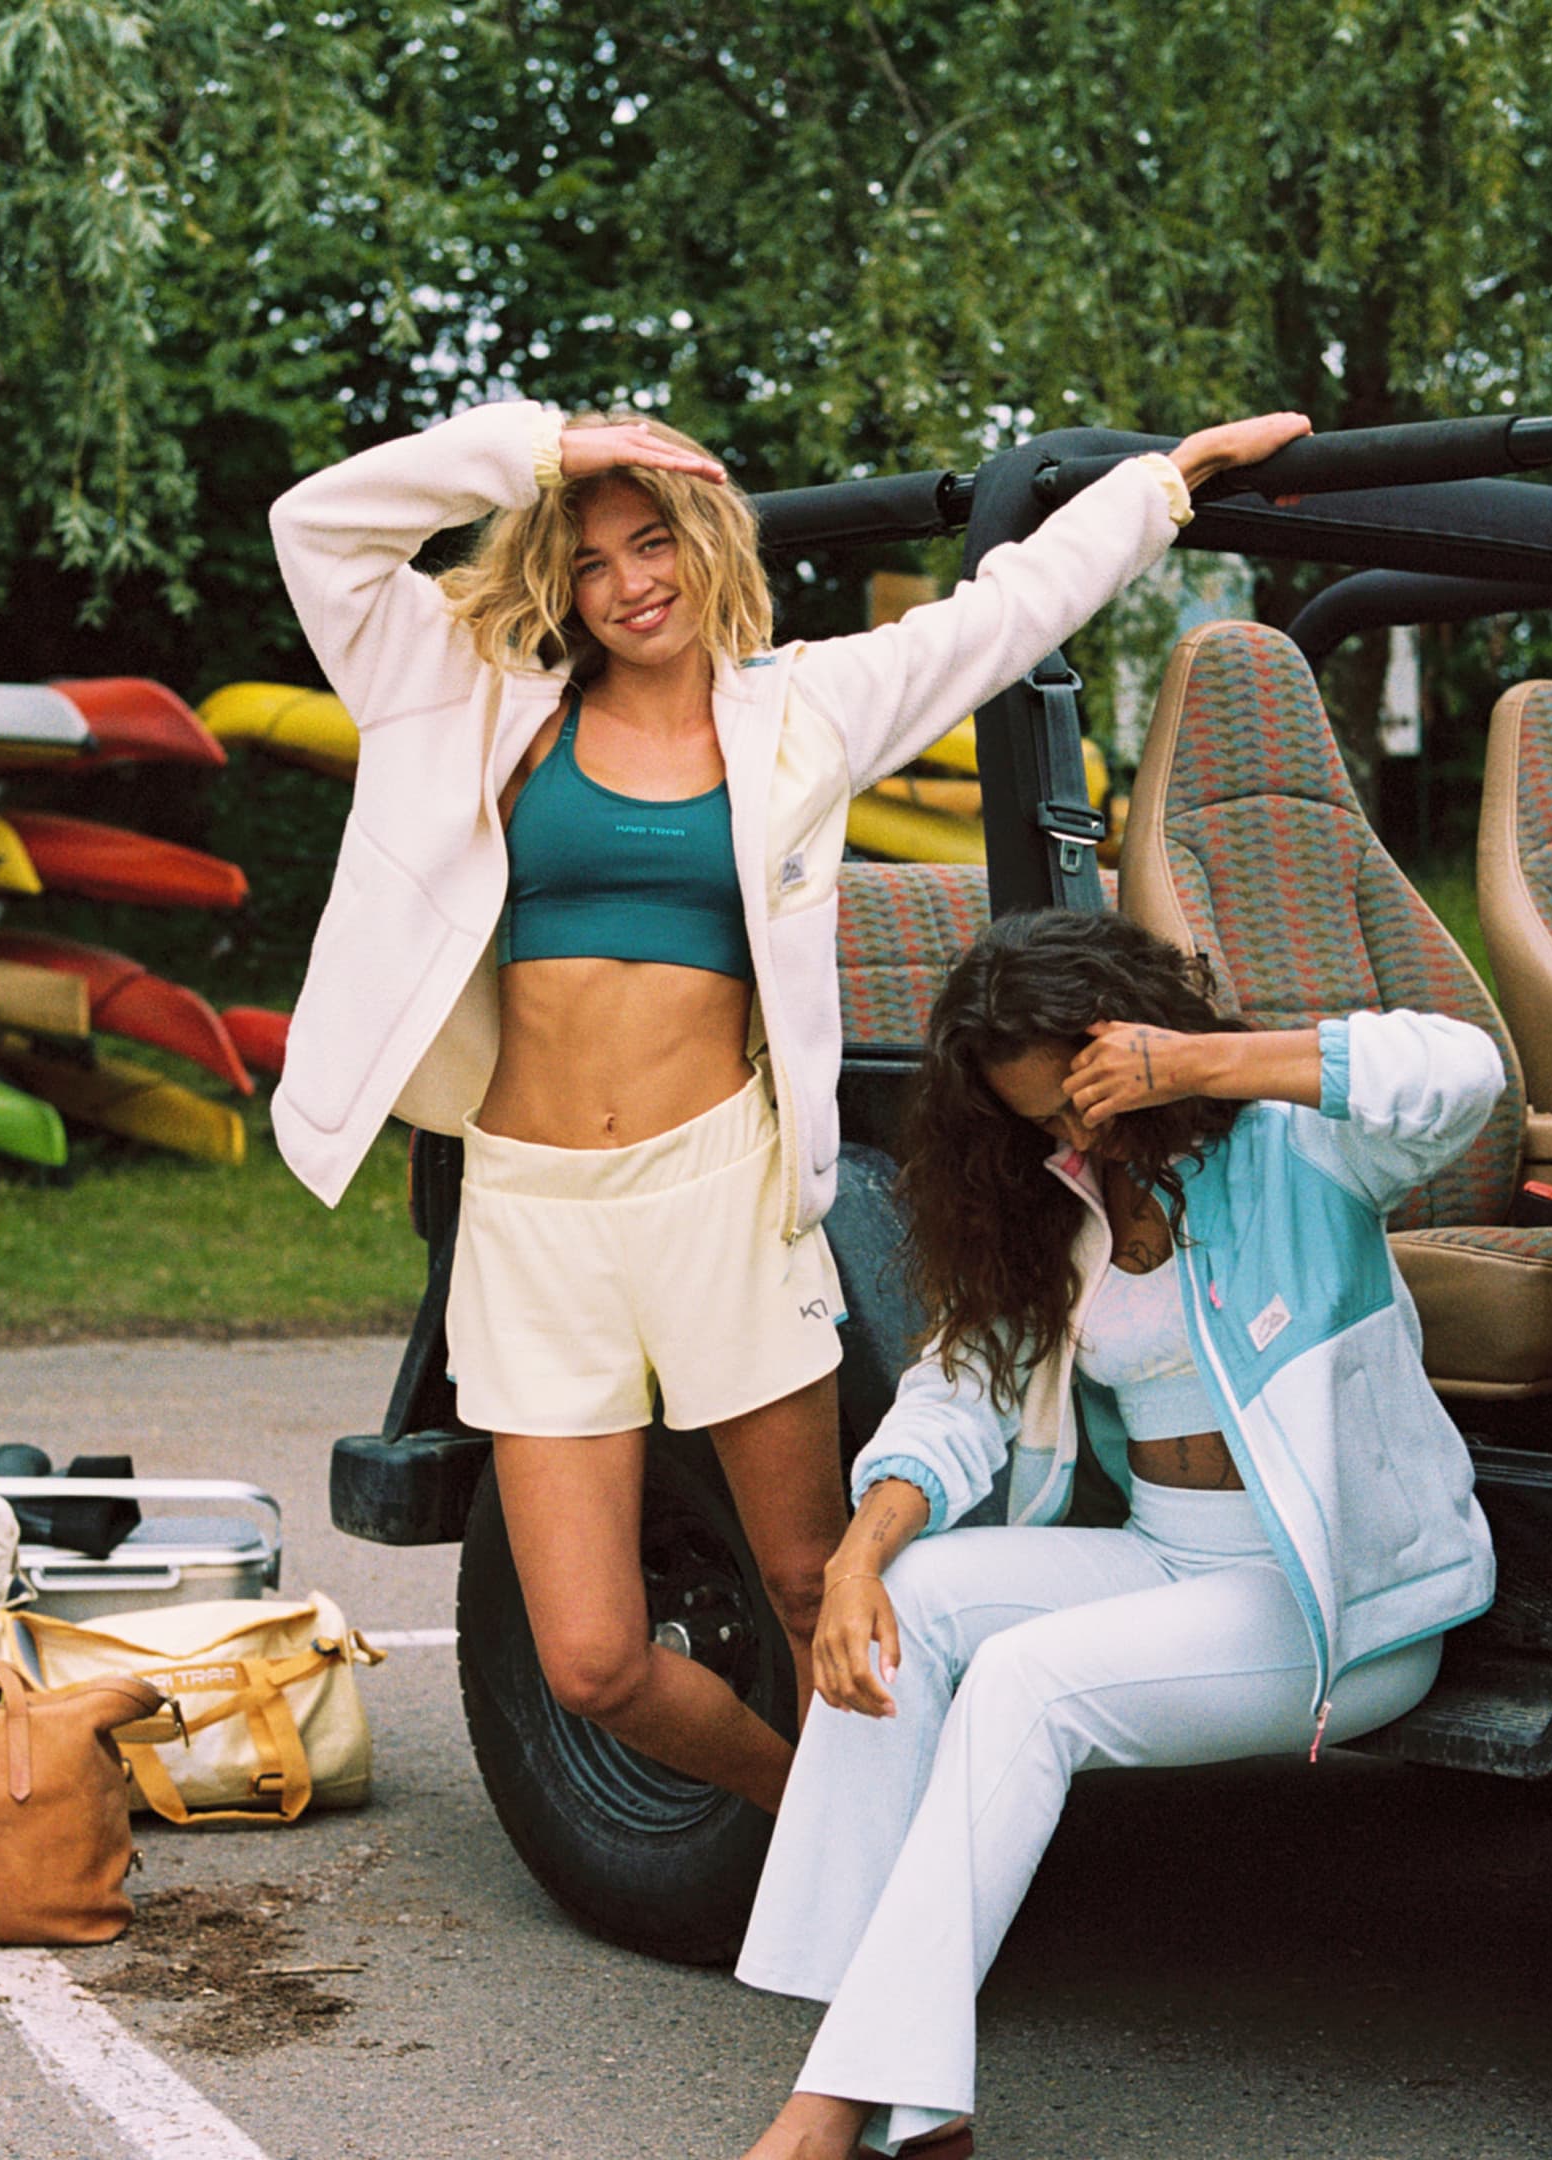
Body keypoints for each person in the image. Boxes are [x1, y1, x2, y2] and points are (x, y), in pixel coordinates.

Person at [266, 400, 1310, 1814]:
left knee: (816, 1580)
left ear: (703, 547)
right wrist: (546, 445)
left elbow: (1006, 616)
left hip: (721, 1199)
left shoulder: (800, 713)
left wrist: (1165, 486)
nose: (630, 583)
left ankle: (881, 1858)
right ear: (554, 582)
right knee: (589, 1660)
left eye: (652, 544)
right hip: (531, 1217)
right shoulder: (469, 702)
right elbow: (315, 529)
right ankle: (809, 1816)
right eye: (589, 560)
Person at [735, 908, 1503, 2158]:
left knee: (1029, 1686)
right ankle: (907, 2094)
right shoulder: (1055, 1199)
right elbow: (962, 1387)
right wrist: (858, 1558)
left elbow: (1464, 1073)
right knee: (910, 1608)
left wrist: (1199, 1063)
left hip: (1329, 1602)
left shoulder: (1299, 1149)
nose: (1070, 1136)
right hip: (1169, 1557)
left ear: (1132, 1038)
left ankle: (829, 2112)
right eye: (1041, 1120)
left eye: (1085, 1097)